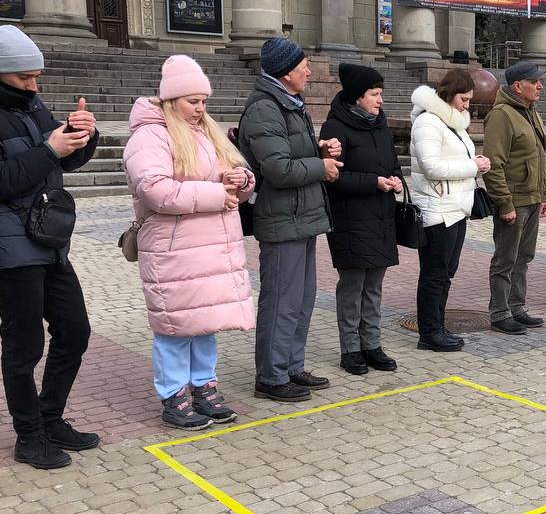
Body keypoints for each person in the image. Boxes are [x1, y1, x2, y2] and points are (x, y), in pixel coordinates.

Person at [0, 25, 99, 471]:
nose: (35, 85)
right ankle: (29, 436)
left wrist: (82, 136)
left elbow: (60, 160)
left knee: (75, 331)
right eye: (26, 78)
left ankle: (51, 417)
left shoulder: (27, 100)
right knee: (24, 345)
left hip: (48, 237)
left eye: (37, 77)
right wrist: (50, 148)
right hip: (8, 244)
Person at [123, 56, 256, 429]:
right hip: (174, 249)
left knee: (204, 322)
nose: (200, 109)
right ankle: (173, 394)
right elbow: (155, 190)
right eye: (192, 101)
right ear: (170, 100)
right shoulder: (150, 135)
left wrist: (242, 182)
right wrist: (218, 194)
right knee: (174, 327)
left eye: (203, 101)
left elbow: (237, 172)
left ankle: (203, 386)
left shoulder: (205, 131)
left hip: (210, 248)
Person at [237, 37, 342, 402]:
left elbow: (290, 153)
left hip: (302, 216)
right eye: (304, 65)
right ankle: (271, 376)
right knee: (281, 301)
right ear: (285, 71)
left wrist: (319, 151)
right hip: (282, 220)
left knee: (301, 299)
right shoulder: (265, 109)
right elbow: (279, 169)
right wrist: (321, 166)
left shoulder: (288, 103)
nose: (310, 71)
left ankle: (291, 366)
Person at [320, 64, 402, 376]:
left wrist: (394, 179)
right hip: (350, 218)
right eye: (374, 94)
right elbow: (333, 176)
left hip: (380, 217)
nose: (380, 100)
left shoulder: (380, 125)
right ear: (357, 97)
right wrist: (373, 182)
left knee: (375, 287)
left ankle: (372, 344)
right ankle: (350, 349)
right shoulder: (335, 128)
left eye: (380, 93)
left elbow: (392, 164)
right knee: (353, 287)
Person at [408, 69, 491, 351]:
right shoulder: (428, 122)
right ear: (448, 94)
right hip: (437, 210)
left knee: (446, 272)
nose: (467, 105)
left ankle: (437, 327)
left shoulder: (453, 123)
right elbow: (432, 167)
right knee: (434, 274)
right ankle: (429, 333)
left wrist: (476, 161)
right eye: (464, 99)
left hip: (456, 208)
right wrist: (472, 167)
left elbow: (456, 159)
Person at [482, 61, 546, 335]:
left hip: (531, 199)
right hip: (514, 201)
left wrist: (543, 194)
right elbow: (492, 164)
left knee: (524, 256)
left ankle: (517, 307)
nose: (540, 86)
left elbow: (540, 157)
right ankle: (499, 313)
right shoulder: (502, 115)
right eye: (535, 82)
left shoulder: (531, 112)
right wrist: (505, 203)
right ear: (517, 86)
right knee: (505, 258)